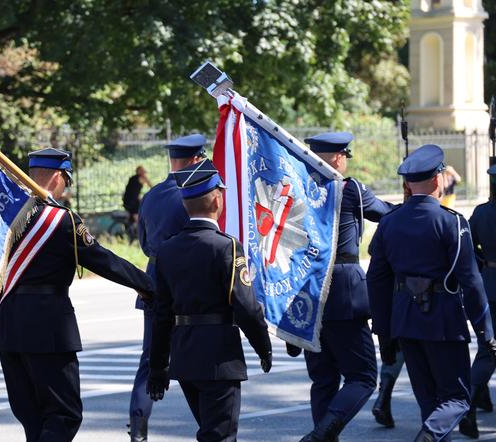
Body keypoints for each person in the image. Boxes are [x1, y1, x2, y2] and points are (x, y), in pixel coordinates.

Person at [0, 147, 154, 442]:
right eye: (67, 179)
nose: (67, 185)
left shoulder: (4, 217)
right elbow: (103, 261)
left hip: (9, 327)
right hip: (48, 328)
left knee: (32, 417)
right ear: (57, 176)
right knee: (64, 414)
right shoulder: (60, 220)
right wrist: (147, 284)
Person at [367, 144, 496, 441]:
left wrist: (384, 331)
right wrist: (485, 331)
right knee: (457, 399)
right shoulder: (451, 222)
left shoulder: (388, 223)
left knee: (429, 401)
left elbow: (376, 280)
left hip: (405, 322)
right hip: (443, 322)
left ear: (407, 185)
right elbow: (471, 281)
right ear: (438, 181)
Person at [147, 159, 272, 441]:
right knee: (220, 436)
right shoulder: (226, 246)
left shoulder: (167, 250)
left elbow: (161, 314)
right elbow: (246, 308)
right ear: (217, 199)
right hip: (219, 358)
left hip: (185, 356)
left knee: (212, 432)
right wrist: (263, 346)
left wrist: (158, 365)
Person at [285, 132, 392, 442]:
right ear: (336, 158)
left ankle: (321, 437)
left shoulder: (294, 190)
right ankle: (321, 435)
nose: (346, 160)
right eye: (345, 154)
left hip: (306, 290)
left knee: (323, 378)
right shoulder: (350, 190)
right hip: (343, 290)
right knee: (362, 376)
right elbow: (386, 214)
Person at [127, 134, 206, 441]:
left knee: (150, 358)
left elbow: (145, 243)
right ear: (197, 159)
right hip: (187, 279)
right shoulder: (197, 193)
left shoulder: (153, 195)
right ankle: (210, 424)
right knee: (196, 355)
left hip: (155, 278)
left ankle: (138, 426)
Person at [459, 163, 496, 438]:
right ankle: (469, 404)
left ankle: (470, 404)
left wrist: (485, 262)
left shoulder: (481, 213)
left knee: (487, 349)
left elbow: (469, 247)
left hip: (489, 284)